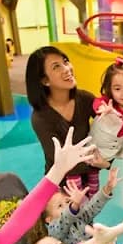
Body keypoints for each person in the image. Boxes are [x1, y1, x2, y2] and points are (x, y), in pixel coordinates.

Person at [26, 45, 99, 197]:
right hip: (60, 185)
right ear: (45, 80)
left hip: (89, 176)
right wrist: (94, 161)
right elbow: (59, 160)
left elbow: (108, 128)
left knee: (89, 216)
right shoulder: (40, 117)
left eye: (65, 61)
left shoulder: (85, 99)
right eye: (56, 66)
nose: (67, 69)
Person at [43, 168, 118, 244]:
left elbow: (92, 207)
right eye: (60, 206)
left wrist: (107, 188)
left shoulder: (78, 216)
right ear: (49, 219)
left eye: (67, 201)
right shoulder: (53, 231)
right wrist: (74, 205)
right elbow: (65, 220)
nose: (66, 206)